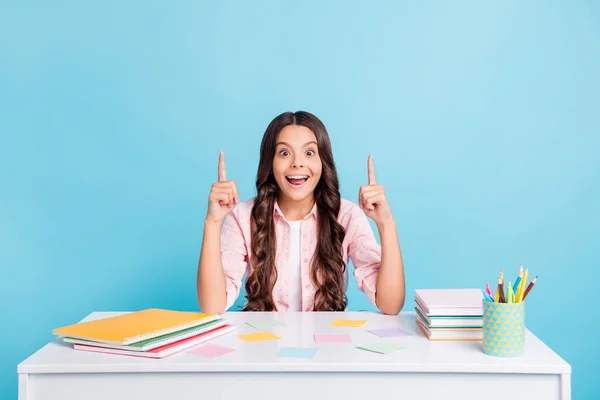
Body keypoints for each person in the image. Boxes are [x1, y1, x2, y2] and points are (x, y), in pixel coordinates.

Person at [197, 111, 404, 314]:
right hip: (263, 344)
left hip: (328, 342)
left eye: (309, 152)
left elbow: (390, 304)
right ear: (270, 162)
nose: (297, 163)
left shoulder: (347, 215)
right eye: (284, 153)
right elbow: (212, 306)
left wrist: (386, 224)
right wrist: (213, 223)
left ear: (323, 162)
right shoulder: (243, 217)